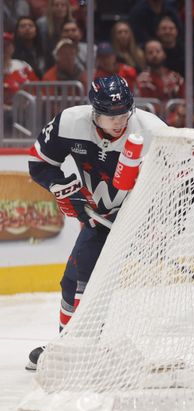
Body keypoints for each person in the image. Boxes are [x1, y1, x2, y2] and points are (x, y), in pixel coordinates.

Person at [26, 74, 165, 370]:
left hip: (135, 216)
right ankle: (71, 345)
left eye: (124, 112)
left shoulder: (153, 130)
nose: (118, 121)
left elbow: (186, 180)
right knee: (72, 281)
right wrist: (62, 186)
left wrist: (161, 221)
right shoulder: (70, 123)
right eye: (108, 115)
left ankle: (79, 350)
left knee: (85, 279)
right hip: (99, 217)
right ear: (93, 111)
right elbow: (39, 164)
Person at [136, 39, 184, 106]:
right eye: (150, 52)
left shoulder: (176, 77)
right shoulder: (142, 80)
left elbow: (184, 101)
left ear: (164, 54)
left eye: (158, 51)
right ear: (145, 56)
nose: (154, 55)